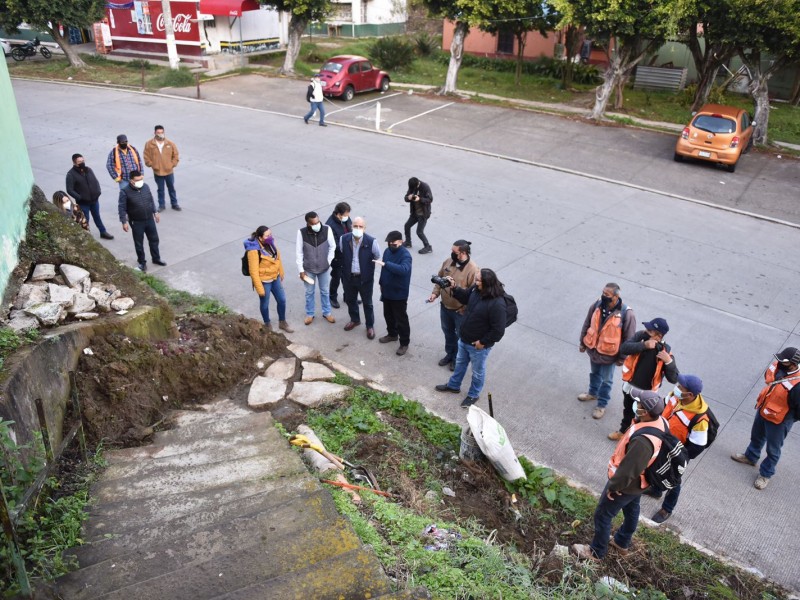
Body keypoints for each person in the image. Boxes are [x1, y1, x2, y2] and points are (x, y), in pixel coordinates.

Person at [572, 389, 667, 561]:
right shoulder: (660, 422)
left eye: (638, 403)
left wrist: (614, 487)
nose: (635, 404)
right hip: (640, 483)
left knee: (603, 515)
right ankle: (622, 542)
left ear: (645, 411)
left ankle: (596, 551)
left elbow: (628, 470)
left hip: (627, 484)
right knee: (632, 509)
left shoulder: (643, 442)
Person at [434, 268, 506, 408]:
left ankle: (473, 395)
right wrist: (454, 287)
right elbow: (465, 297)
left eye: (478, 280)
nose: (475, 281)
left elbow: (498, 331)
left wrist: (483, 342)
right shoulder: (476, 290)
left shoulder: (497, 304)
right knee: (460, 364)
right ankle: (454, 385)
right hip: (464, 338)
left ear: (487, 283)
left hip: (478, 345)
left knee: (478, 372)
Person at [731, 347, 800, 490]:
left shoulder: (798, 384)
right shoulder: (777, 365)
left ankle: (766, 474)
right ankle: (751, 457)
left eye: (784, 361)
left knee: (773, 449)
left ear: (793, 364)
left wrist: (787, 419)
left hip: (780, 420)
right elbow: (768, 377)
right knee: (756, 436)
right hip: (764, 408)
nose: (779, 362)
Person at [649, 374, 710, 522]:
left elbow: (698, 446)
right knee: (654, 467)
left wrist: (679, 458)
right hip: (661, 442)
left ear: (690, 394)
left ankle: (667, 509)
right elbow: (662, 407)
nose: (676, 388)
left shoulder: (700, 419)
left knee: (674, 480)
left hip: (676, 453)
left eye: (680, 387)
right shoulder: (675, 396)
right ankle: (656, 490)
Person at [608, 318, 678, 441]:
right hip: (630, 386)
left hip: (647, 394)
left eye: (650, 330)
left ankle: (635, 438)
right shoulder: (641, 336)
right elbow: (624, 348)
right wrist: (643, 345)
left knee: (642, 416)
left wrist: (669, 362)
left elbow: (673, 378)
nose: (646, 331)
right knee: (628, 410)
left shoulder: (664, 350)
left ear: (659, 335)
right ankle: (623, 431)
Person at [578, 283, 636, 420]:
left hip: (610, 355)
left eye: (607, 294)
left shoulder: (627, 313)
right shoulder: (597, 304)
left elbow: (629, 339)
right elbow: (587, 323)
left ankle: (601, 405)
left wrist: (622, 358)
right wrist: (582, 342)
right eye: (603, 292)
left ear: (616, 296)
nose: (604, 296)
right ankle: (592, 393)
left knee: (607, 381)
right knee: (594, 373)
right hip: (594, 350)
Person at [428, 240, 479, 371]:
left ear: (463, 253)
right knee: (448, 333)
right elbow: (439, 280)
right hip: (445, 307)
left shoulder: (472, 270)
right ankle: (449, 354)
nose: (451, 254)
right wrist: (435, 294)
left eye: (454, 252)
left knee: (460, 338)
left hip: (459, 311)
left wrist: (464, 309)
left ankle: (457, 359)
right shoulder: (448, 262)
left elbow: (474, 295)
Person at [244, 226, 293, 333]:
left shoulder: (270, 244)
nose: (270, 237)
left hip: (275, 278)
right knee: (265, 304)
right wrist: (259, 288)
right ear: (260, 238)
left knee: (282, 300)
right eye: (267, 236)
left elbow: (277, 258)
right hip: (264, 281)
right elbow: (253, 271)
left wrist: (281, 271)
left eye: (270, 234)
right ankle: (267, 323)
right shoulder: (253, 251)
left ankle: (282, 322)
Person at [340, 217, 381, 339]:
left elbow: (377, 255)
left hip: (365, 279)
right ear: (351, 226)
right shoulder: (344, 239)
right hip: (349, 277)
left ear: (365, 228)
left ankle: (370, 326)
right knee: (350, 300)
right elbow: (342, 252)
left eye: (360, 226)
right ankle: (355, 319)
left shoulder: (371, 241)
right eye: (355, 226)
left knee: (367, 303)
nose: (357, 228)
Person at [118, 170, 165, 272]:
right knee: (139, 243)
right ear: (131, 181)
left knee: (154, 239)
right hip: (136, 221)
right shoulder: (125, 191)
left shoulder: (145, 186)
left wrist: (155, 212)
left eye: (141, 179)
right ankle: (142, 263)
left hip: (149, 219)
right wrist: (124, 222)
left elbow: (151, 199)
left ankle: (156, 258)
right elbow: (121, 207)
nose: (140, 181)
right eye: (137, 180)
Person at [295, 211, 335, 325]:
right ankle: (309, 314)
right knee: (309, 292)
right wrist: (301, 270)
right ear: (308, 224)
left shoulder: (327, 229)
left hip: (324, 268)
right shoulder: (301, 233)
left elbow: (333, 246)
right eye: (314, 223)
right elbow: (299, 253)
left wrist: (328, 261)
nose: (317, 225)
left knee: (325, 291)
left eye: (318, 222)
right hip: (308, 269)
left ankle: (327, 313)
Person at [376, 231, 413, 355]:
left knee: (401, 319)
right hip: (387, 291)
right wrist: (381, 283)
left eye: (393, 243)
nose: (391, 244)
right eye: (389, 242)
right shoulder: (387, 251)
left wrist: (387, 264)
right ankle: (392, 334)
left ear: (401, 242)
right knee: (388, 315)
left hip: (399, 293)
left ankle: (404, 343)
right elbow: (383, 270)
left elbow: (403, 270)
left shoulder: (406, 255)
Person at [65, 154, 114, 239]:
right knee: (85, 219)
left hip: (94, 200)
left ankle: (103, 232)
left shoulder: (88, 170)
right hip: (83, 203)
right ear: (74, 163)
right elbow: (69, 189)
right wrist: (80, 197)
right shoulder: (70, 174)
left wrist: (98, 191)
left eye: (83, 161)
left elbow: (96, 181)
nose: (82, 163)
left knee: (97, 216)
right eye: (79, 162)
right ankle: (86, 235)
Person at [143, 125, 181, 212]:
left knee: (171, 188)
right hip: (158, 172)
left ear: (164, 132)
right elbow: (146, 156)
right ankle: (161, 205)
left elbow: (175, 155)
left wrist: (172, 164)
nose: (160, 134)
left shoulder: (170, 143)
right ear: (155, 133)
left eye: (162, 132)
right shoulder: (149, 144)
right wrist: (152, 164)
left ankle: (174, 204)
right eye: (158, 132)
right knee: (160, 189)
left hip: (169, 171)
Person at [325, 202, 352, 309]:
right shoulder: (330, 225)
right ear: (338, 214)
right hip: (337, 256)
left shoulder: (346, 219)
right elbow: (333, 244)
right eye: (345, 215)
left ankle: (348, 296)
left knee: (348, 276)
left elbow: (351, 229)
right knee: (336, 276)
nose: (347, 217)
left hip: (348, 253)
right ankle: (332, 296)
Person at [403, 177, 433, 254]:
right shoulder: (412, 186)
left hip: (423, 214)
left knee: (419, 232)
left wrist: (419, 199)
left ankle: (428, 247)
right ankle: (408, 242)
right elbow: (405, 198)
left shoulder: (425, 187)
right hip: (414, 213)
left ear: (417, 184)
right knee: (407, 226)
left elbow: (430, 200)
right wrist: (408, 197)